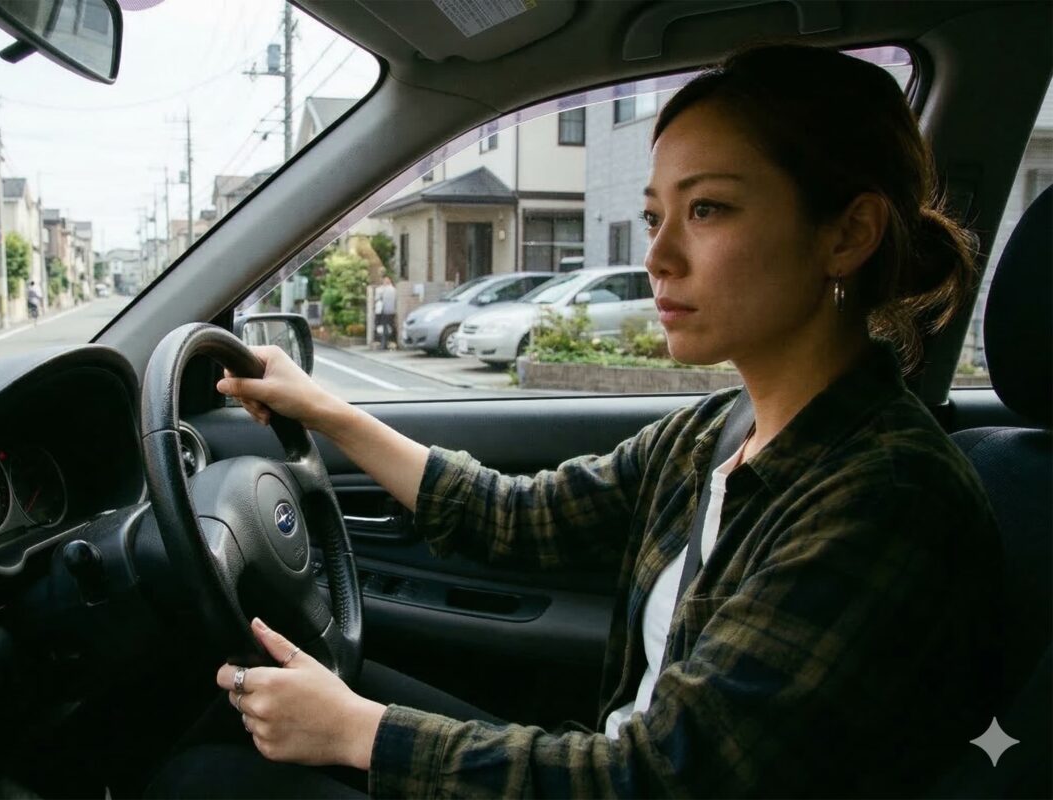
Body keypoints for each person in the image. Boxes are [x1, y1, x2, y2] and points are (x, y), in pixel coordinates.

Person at [153, 44, 1002, 798]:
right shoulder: (717, 432)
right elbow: (515, 515)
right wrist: (325, 409)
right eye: (655, 215)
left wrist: (355, 732)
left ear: (847, 233)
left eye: (708, 210)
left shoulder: (887, 497)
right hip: (615, 758)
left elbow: (664, 777)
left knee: (208, 778)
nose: (658, 257)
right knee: (257, 722)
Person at [373, 276, 397, 350]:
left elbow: (377, 298)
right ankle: (387, 344)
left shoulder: (382, 289)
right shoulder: (394, 290)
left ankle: (384, 344)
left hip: (383, 311)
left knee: (383, 328)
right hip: (390, 312)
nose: (385, 282)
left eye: (386, 281)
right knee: (388, 327)